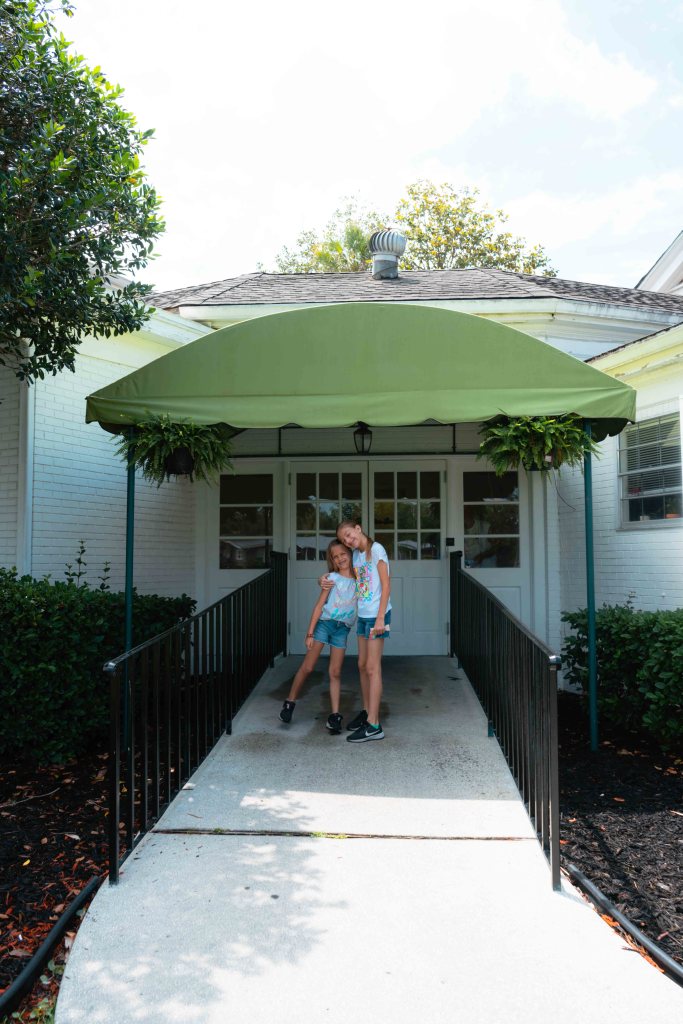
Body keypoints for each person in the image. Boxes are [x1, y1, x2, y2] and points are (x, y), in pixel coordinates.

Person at [279, 540, 357, 734]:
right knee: (308, 667)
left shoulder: (360, 580)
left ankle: (335, 715)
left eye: (343, 554)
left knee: (335, 672)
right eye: (335, 557)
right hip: (324, 624)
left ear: (350, 553)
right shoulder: (331, 578)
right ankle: (289, 702)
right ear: (332, 560)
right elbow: (319, 606)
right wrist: (310, 633)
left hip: (342, 630)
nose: (340, 559)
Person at [334, 519, 391, 743]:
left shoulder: (376, 550)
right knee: (361, 665)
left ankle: (375, 725)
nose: (348, 540)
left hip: (378, 616)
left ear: (358, 528)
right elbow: (348, 577)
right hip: (363, 615)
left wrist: (379, 618)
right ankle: (367, 711)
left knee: (372, 668)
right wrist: (324, 578)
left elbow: (386, 585)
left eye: (349, 534)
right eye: (344, 539)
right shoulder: (356, 556)